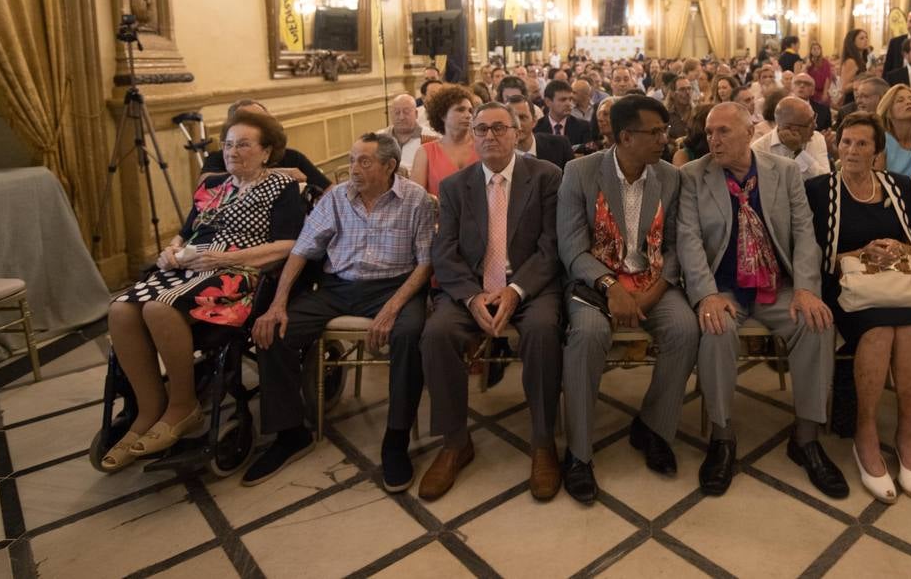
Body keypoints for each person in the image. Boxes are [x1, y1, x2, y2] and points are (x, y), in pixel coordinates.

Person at [102, 111, 306, 472]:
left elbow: (289, 243)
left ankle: (183, 406)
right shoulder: (211, 187)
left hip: (240, 273)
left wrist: (227, 257)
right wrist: (171, 249)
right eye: (228, 144)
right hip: (191, 266)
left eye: (244, 144)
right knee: (120, 308)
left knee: (158, 308)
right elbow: (187, 230)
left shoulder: (282, 187)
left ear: (266, 151)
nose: (233, 151)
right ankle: (150, 408)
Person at [248, 133, 436, 492]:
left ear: (389, 166)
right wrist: (278, 304)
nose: (354, 169)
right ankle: (291, 433)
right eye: (352, 160)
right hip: (338, 288)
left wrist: (392, 307)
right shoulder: (336, 197)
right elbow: (302, 250)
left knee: (409, 334)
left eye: (364, 162)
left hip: (395, 286)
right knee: (273, 332)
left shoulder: (415, 200)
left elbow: (425, 264)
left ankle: (396, 440)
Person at [678, 103, 846, 498]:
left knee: (816, 322)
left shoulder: (782, 172)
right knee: (717, 331)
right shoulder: (693, 175)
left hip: (776, 284)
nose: (713, 140)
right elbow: (688, 240)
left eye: (723, 132)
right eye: (709, 132)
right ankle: (722, 437)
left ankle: (806, 438)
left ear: (749, 131)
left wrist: (806, 287)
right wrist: (705, 295)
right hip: (723, 288)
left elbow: (805, 233)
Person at [419, 103, 565, 502]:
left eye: (499, 128)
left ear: (517, 134)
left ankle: (542, 442)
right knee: (436, 333)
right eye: (481, 129)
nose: (489, 136)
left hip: (530, 287)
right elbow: (444, 251)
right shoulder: (455, 186)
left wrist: (515, 292)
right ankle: (454, 442)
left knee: (541, 330)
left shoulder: (546, 176)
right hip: (473, 288)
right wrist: (471, 296)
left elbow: (552, 247)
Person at [557, 97, 699, 503]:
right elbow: (571, 249)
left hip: (653, 281)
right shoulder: (580, 172)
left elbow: (674, 247)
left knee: (684, 330)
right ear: (624, 137)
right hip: (594, 283)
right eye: (654, 132)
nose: (663, 139)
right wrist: (612, 287)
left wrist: (651, 292)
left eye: (664, 131)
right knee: (586, 337)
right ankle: (579, 454)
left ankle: (653, 428)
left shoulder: (670, 176)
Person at [805, 114, 911, 503]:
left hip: (897, 286)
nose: (852, 151)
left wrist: (898, 249)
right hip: (846, 287)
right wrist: (859, 253)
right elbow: (811, 256)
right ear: (836, 146)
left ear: (877, 152)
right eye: (846, 143)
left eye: (862, 144)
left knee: (909, 331)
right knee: (877, 331)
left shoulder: (900, 186)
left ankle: (908, 433)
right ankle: (866, 433)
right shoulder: (820, 190)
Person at [198, 99, 330, 194]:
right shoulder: (224, 157)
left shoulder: (291, 156)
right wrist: (277, 174)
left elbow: (329, 190)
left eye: (263, 121)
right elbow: (205, 182)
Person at [411, 83, 481, 195]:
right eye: (460, 110)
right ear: (442, 115)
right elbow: (416, 199)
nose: (468, 115)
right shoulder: (425, 152)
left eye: (470, 111)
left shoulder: (482, 147)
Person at [750, 95, 830, 179]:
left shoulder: (817, 138)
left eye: (814, 118)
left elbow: (825, 180)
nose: (815, 126)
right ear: (788, 128)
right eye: (809, 124)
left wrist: (798, 152)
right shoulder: (759, 150)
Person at [874, 84, 911, 179]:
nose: (909, 102)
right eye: (900, 100)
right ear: (888, 112)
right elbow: (877, 182)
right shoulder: (881, 141)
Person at [509, 98, 572, 170]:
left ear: (534, 121)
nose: (518, 125)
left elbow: (572, 179)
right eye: (512, 119)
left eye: (522, 117)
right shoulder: (499, 156)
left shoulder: (560, 146)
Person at [380, 94, 429, 177]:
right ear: (391, 114)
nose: (401, 117)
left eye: (406, 112)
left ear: (416, 114)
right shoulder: (380, 138)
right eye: (397, 112)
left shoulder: (430, 137)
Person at [537, 79, 592, 147]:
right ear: (548, 102)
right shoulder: (537, 128)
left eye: (570, 99)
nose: (568, 103)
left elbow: (587, 154)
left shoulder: (583, 127)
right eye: (563, 100)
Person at [839, 28, 871, 105]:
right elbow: (844, 87)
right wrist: (865, 79)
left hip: (859, 98)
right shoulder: (851, 61)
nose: (866, 40)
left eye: (866, 37)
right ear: (852, 42)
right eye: (861, 38)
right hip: (852, 101)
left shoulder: (861, 60)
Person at [665, 74, 695, 141]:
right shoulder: (666, 115)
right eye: (682, 89)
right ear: (673, 93)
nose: (687, 92)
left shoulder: (697, 113)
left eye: (689, 88)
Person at [805, 40, 834, 107]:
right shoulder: (809, 62)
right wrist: (806, 67)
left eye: (818, 49)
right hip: (810, 91)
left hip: (821, 91)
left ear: (821, 50)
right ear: (811, 51)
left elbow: (827, 78)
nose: (816, 50)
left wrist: (825, 93)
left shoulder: (825, 62)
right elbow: (803, 76)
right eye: (814, 49)